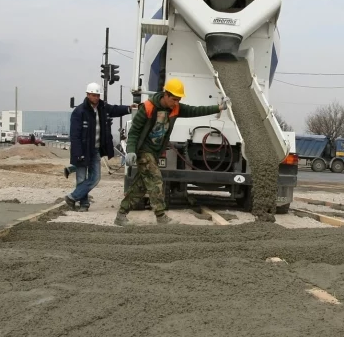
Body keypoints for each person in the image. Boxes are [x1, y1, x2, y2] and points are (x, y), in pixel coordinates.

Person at [114, 78, 228, 226]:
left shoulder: (176, 108)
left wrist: (218, 107)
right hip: (144, 150)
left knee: (140, 186)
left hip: (155, 153)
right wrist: (130, 151)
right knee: (156, 180)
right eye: (174, 99)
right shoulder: (148, 107)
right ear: (165, 95)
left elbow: (196, 110)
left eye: (179, 99)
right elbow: (134, 132)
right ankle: (161, 217)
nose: (176, 102)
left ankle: (121, 215)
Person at [65, 82, 134, 212]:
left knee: (95, 178)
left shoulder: (103, 108)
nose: (96, 98)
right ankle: (84, 205)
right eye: (93, 95)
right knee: (81, 178)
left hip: (95, 150)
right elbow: (74, 136)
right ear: (87, 95)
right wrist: (78, 153)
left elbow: (115, 109)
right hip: (82, 150)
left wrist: (129, 108)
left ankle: (72, 197)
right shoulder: (79, 112)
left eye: (97, 95)